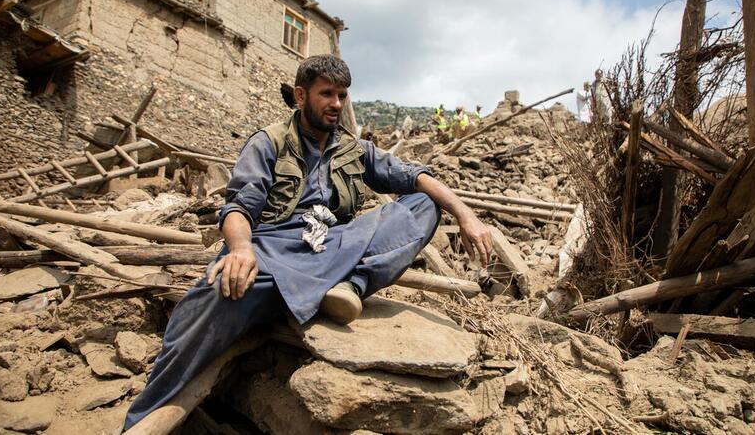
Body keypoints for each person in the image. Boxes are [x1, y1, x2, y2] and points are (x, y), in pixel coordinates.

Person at [122, 55, 493, 430]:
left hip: (334, 246)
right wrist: (240, 250)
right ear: (301, 95)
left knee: (425, 204)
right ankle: (145, 414)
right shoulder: (268, 143)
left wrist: (466, 216)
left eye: (342, 95)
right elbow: (237, 207)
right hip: (275, 252)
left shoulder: (354, 149)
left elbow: (414, 176)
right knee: (214, 295)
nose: (336, 103)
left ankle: (352, 286)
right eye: (326, 93)